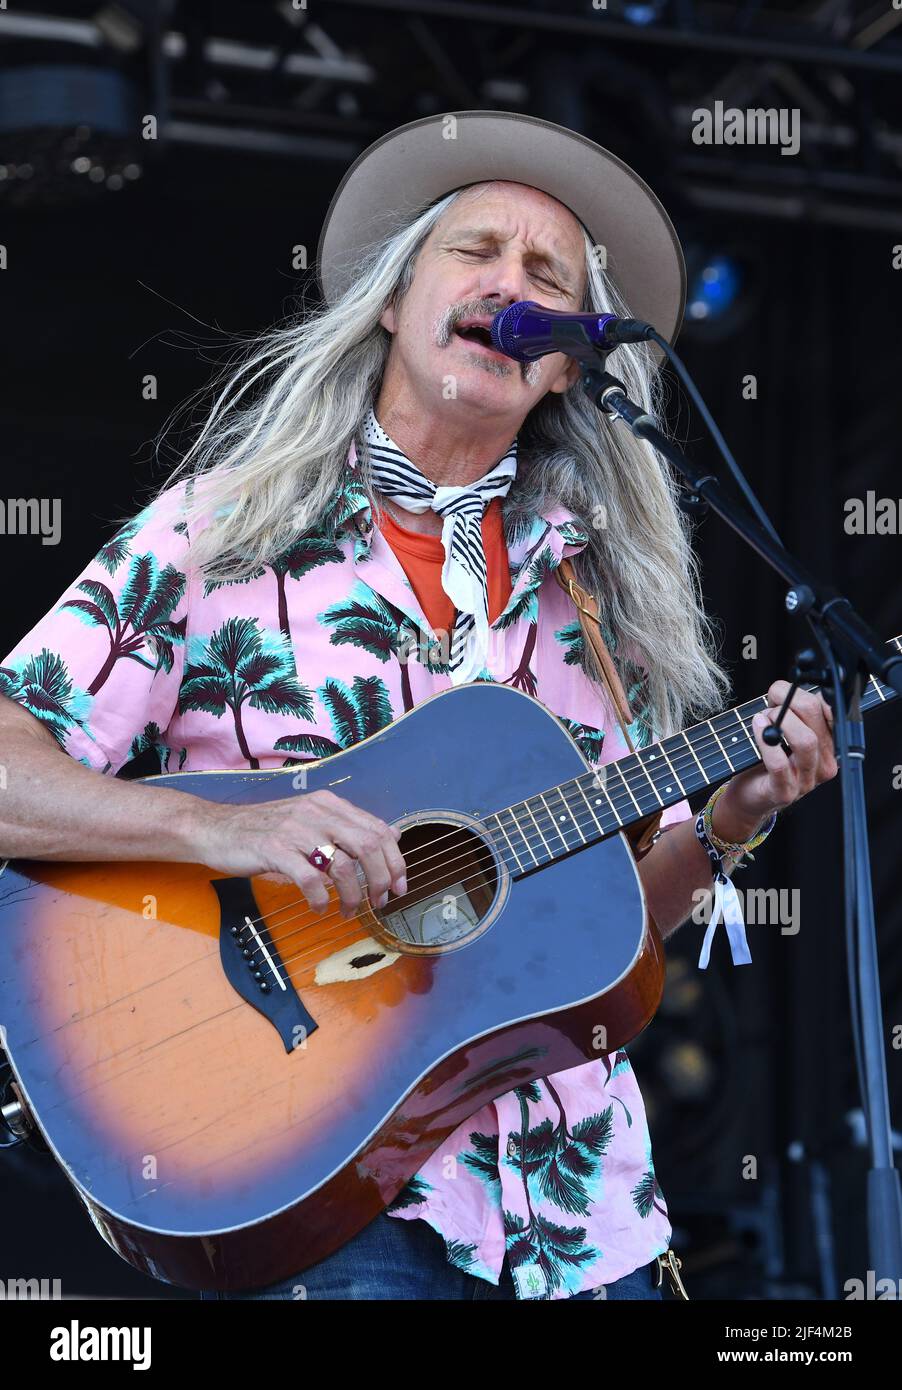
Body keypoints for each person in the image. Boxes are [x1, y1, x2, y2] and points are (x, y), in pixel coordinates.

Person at [0, 111, 837, 1301]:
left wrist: (729, 821)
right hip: (333, 1184)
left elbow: (599, 945)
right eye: (475, 251)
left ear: (563, 361)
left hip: (583, 1210)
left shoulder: (608, 607)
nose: (510, 285)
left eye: (548, 279)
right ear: (394, 301)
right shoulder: (222, 531)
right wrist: (218, 829)